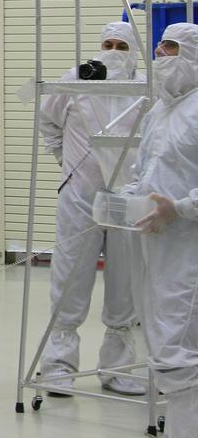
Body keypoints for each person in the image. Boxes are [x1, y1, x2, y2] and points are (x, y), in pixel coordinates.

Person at [38, 21, 147, 395]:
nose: (113, 51)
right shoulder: (77, 79)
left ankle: (118, 367)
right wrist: (64, 162)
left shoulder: (147, 88)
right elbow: (48, 120)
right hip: (80, 195)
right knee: (69, 278)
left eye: (121, 45)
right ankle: (59, 367)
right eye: (108, 44)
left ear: (134, 51)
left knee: (125, 284)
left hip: (128, 198)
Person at [128, 22, 198, 437]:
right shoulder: (159, 111)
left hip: (187, 246)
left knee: (178, 349)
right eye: (159, 49)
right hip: (153, 245)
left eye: (170, 49)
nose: (161, 57)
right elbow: (146, 170)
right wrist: (128, 195)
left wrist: (182, 208)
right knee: (161, 340)